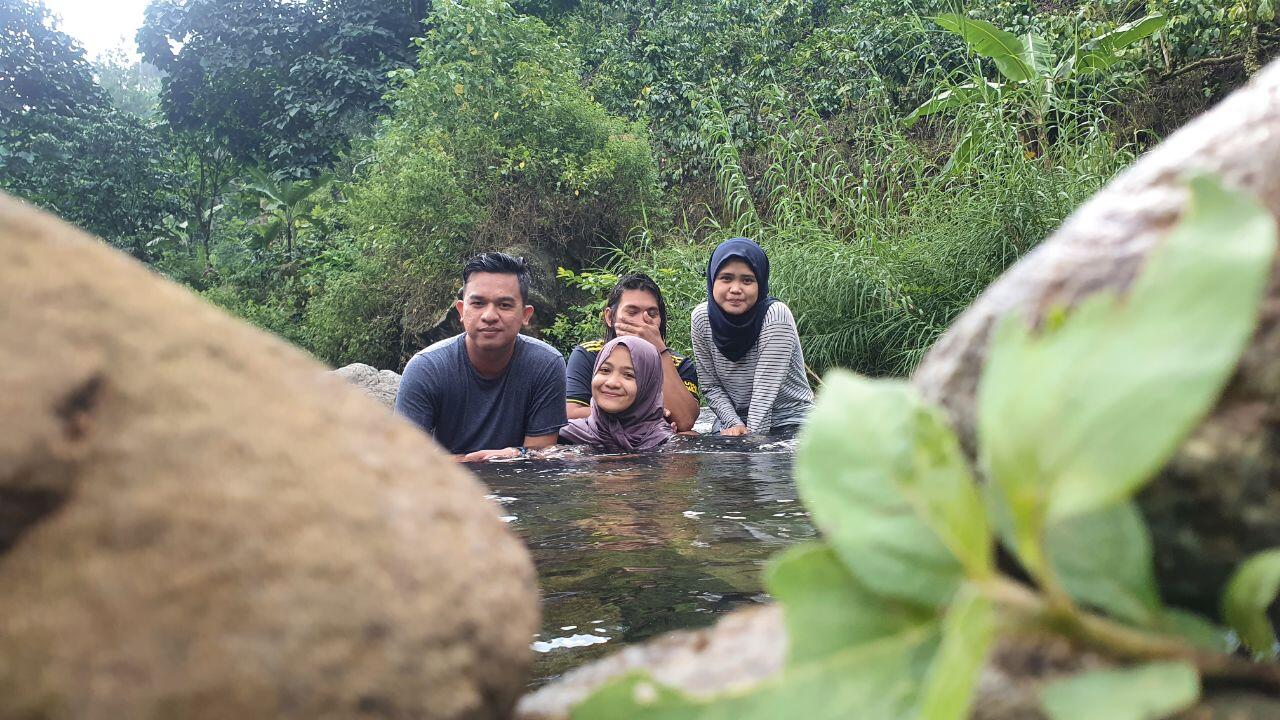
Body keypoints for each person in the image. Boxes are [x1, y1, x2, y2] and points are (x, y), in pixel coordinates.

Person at [395, 252, 567, 461]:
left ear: (526, 315)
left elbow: (540, 455)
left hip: (519, 487)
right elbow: (405, 459)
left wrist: (514, 455)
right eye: (478, 304)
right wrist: (475, 462)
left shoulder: (545, 364)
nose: (489, 316)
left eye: (504, 305)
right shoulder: (427, 368)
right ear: (461, 310)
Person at [691, 237, 813, 436]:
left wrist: (751, 446)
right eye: (726, 278)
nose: (736, 289)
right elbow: (711, 385)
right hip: (735, 419)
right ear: (713, 279)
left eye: (747, 280)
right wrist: (733, 424)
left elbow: (764, 397)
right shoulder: (701, 318)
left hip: (790, 419)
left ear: (760, 282)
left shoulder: (775, 316)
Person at [564, 273, 700, 432]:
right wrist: (644, 416)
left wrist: (661, 352)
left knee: (689, 435)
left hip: (652, 446)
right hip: (599, 442)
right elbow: (570, 414)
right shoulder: (588, 354)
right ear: (610, 317)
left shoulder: (679, 364)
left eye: (652, 314)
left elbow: (685, 422)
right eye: (631, 312)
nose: (642, 322)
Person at [559, 336, 675, 451]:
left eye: (629, 375)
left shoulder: (666, 444)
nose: (612, 383)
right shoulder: (563, 436)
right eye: (605, 370)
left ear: (648, 387)